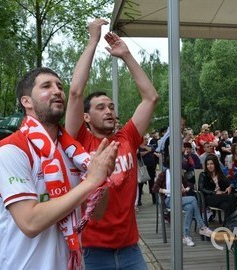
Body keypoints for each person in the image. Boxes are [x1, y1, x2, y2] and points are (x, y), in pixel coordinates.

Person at [0, 67, 119, 270]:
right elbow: (30, 222)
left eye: (60, 86)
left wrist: (102, 178)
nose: (57, 91)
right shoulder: (11, 150)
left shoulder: (73, 153)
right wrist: (92, 181)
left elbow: (97, 213)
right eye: (46, 86)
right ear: (27, 101)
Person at [65, 19, 158, 269]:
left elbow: (151, 97)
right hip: (92, 251)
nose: (109, 111)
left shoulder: (126, 137)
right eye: (100, 107)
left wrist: (126, 55)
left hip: (130, 249)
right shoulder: (78, 139)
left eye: (112, 107)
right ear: (86, 117)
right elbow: (75, 91)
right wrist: (93, 41)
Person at [153, 168, 213, 247]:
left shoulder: (178, 174)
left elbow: (188, 185)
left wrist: (185, 189)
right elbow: (155, 188)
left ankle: (186, 236)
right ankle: (202, 226)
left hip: (180, 199)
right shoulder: (163, 174)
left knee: (190, 207)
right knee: (193, 199)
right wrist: (169, 191)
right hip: (169, 200)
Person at [198, 154, 237, 219]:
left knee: (227, 206)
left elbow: (229, 183)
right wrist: (214, 192)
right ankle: (234, 223)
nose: (209, 166)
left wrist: (230, 187)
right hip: (209, 198)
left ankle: (227, 226)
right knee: (232, 198)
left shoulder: (220, 174)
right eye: (208, 164)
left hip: (221, 197)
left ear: (216, 164)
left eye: (211, 164)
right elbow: (201, 189)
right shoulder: (203, 175)